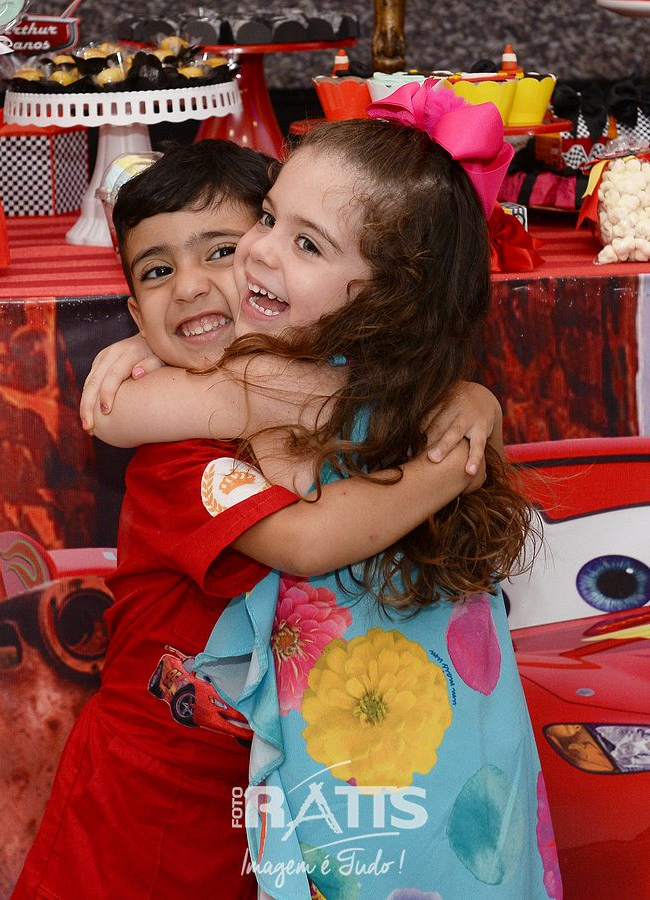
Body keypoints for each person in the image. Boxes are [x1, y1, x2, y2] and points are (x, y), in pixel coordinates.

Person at [81, 84, 561, 899]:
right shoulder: (292, 382)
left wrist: (463, 413)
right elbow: (121, 416)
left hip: (439, 764)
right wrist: (140, 349)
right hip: (331, 772)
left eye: (306, 243)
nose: (260, 253)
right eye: (269, 218)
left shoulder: (421, 401)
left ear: (385, 294)